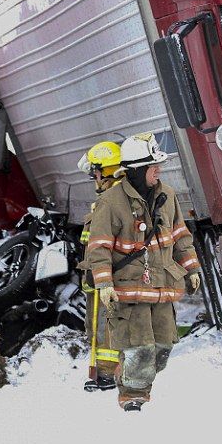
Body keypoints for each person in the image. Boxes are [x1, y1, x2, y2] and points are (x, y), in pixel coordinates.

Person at [84, 133, 201, 412]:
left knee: (163, 346)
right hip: (129, 288)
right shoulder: (110, 202)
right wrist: (105, 283)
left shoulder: (167, 195)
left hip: (161, 286)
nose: (158, 171)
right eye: (153, 166)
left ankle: (130, 377)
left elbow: (180, 235)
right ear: (136, 170)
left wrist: (192, 267)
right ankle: (133, 396)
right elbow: (98, 247)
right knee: (140, 348)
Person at [76, 141, 123, 392]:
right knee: (96, 325)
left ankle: (107, 374)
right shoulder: (109, 199)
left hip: (109, 278)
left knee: (108, 326)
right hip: (97, 276)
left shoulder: (115, 201)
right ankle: (102, 372)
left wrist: (104, 277)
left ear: (105, 170)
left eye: (95, 172)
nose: (93, 178)